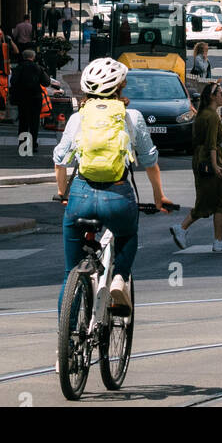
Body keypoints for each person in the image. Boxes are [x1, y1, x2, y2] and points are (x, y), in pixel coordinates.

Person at [53, 57, 175, 311]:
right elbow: (150, 161)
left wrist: (62, 192)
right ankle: (119, 277)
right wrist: (158, 197)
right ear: (121, 87)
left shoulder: (78, 118)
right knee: (127, 234)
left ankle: (67, 342)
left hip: (81, 195)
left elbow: (60, 160)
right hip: (118, 195)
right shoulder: (132, 117)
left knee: (69, 273)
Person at [170, 82, 222, 253]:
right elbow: (211, 145)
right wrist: (215, 166)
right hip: (209, 161)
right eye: (221, 93)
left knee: (209, 200)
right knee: (218, 203)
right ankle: (189, 230)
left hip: (200, 160)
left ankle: (216, 238)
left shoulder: (205, 115)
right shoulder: (211, 116)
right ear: (212, 97)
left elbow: (215, 139)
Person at [10, 48, 49, 151]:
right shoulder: (38, 67)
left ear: (23, 57)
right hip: (35, 98)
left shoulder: (19, 67)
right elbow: (46, 82)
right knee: (34, 122)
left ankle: (22, 145)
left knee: (23, 121)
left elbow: (13, 81)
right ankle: (33, 145)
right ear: (33, 57)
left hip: (22, 98)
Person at [0, 26, 18, 122]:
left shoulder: (5, 46)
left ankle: (0, 116)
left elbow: (16, 51)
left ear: (1, 37)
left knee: (2, 97)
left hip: (2, 75)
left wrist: (11, 41)